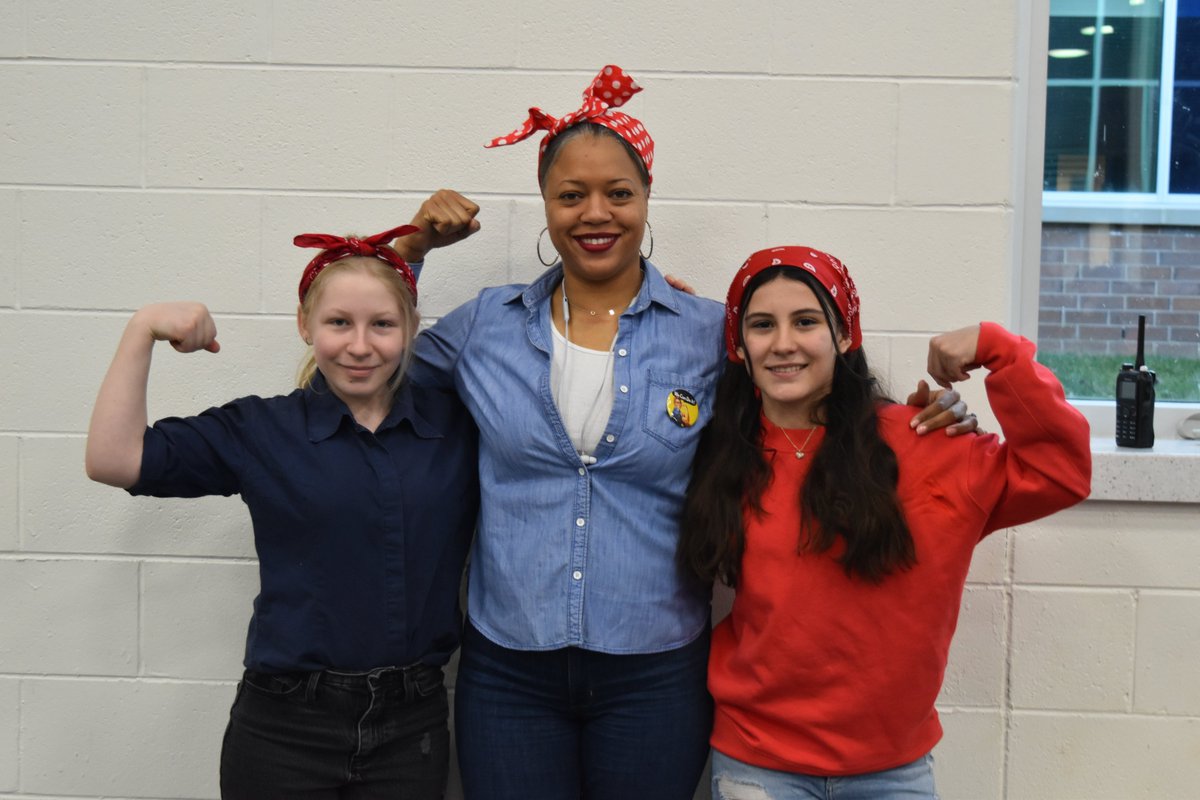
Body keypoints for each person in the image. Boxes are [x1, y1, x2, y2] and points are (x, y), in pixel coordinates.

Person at [387, 67, 977, 799]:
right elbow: (362, 366)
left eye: (618, 193)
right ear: (545, 204)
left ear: (645, 199)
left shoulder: (707, 334)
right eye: (570, 195)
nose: (594, 212)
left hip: (655, 672)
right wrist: (408, 252)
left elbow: (813, 411)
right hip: (510, 668)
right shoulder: (486, 326)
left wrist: (923, 424)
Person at [678, 245, 1092, 799]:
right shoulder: (718, 459)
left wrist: (999, 350)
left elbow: (1062, 471)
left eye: (805, 321)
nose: (782, 343)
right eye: (761, 325)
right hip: (758, 764)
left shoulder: (926, 444)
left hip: (892, 773)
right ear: (738, 344)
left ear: (845, 334)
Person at [84, 225, 479, 799]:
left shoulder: (455, 429)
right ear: (305, 325)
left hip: (411, 728)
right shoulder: (260, 429)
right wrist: (142, 329)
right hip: (286, 731)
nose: (361, 345)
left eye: (383, 325)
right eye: (339, 322)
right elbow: (113, 459)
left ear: (411, 329)